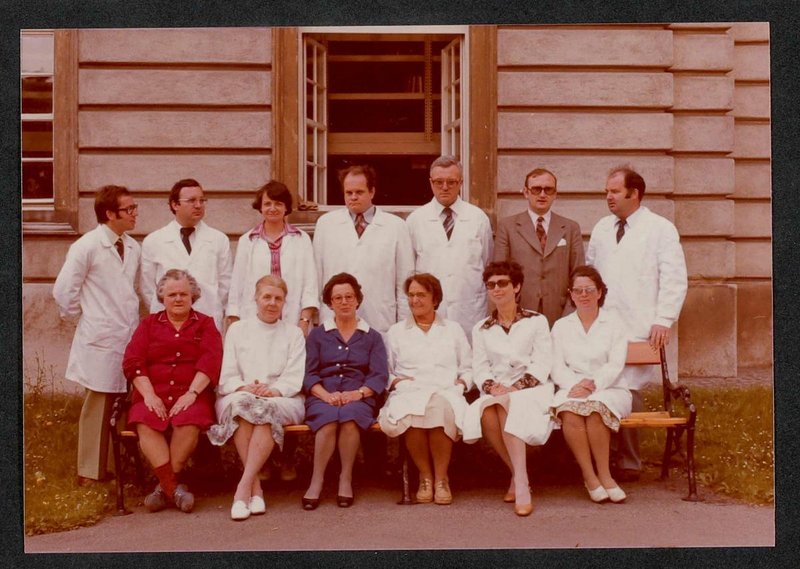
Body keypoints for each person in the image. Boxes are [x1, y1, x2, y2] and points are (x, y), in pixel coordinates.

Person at [586, 166, 687, 482]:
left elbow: (674, 277)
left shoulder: (660, 229)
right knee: (602, 385)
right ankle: (603, 459)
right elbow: (591, 273)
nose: (608, 197)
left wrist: (664, 318)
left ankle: (629, 462)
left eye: (615, 191)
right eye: (607, 191)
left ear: (634, 193)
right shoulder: (602, 228)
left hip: (639, 323)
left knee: (629, 389)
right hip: (604, 324)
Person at [53, 185, 141, 484]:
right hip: (100, 337)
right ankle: (89, 472)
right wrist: (86, 319)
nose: (135, 213)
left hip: (126, 335)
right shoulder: (87, 246)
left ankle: (118, 468)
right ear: (110, 213)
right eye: (129, 209)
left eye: (134, 208)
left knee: (124, 402)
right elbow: (64, 291)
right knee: (98, 403)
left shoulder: (132, 247)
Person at [122, 269, 223, 513]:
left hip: (192, 393)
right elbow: (133, 362)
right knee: (144, 419)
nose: (178, 299)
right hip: (152, 392)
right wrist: (149, 395)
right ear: (162, 298)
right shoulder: (148, 325)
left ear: (193, 296)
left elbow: (211, 362)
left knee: (190, 419)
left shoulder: (206, 324)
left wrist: (192, 394)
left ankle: (162, 488)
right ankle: (173, 488)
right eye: (172, 295)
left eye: (183, 294)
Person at [208, 275, 306, 520]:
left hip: (282, 398)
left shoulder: (294, 333)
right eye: (266, 297)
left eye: (278, 299)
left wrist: (274, 390)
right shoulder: (238, 330)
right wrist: (245, 387)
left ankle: (243, 488)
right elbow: (228, 374)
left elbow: (294, 376)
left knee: (263, 409)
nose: (272, 303)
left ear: (284, 302)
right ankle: (256, 488)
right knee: (245, 407)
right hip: (240, 393)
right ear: (256, 298)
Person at [462, 261, 554, 517]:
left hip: (532, 389)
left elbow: (542, 362)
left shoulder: (537, 321)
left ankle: (521, 486)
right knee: (487, 413)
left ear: (517, 287)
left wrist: (514, 387)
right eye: (491, 285)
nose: (496, 289)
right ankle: (518, 474)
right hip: (497, 390)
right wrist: (492, 386)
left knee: (504, 406)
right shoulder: (481, 328)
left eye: (502, 283)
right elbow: (480, 367)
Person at [378, 273, 472, 506]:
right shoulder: (396, 331)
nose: (415, 300)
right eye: (411, 295)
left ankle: (441, 479)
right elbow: (386, 371)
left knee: (439, 408)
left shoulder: (453, 329)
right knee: (412, 412)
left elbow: (468, 367)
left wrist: (462, 384)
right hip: (409, 391)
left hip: (445, 390)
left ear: (435, 299)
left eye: (421, 295)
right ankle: (425, 477)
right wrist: (397, 383)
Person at [301, 273, 388, 509]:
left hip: (359, 396)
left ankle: (345, 478)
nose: (344, 302)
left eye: (349, 296)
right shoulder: (318, 335)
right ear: (330, 303)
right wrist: (325, 395)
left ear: (357, 300)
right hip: (323, 395)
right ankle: (316, 480)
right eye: (337, 298)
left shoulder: (372, 337)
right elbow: (309, 374)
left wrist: (358, 394)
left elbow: (379, 375)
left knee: (350, 418)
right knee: (328, 419)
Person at [550, 265, 632, 503]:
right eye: (578, 291)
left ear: (600, 292)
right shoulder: (561, 326)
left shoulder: (614, 324)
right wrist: (576, 385)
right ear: (571, 294)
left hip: (609, 388)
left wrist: (592, 385)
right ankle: (589, 476)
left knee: (595, 411)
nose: (583, 295)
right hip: (571, 387)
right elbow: (556, 366)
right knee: (571, 413)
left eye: (589, 290)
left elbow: (615, 365)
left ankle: (605, 475)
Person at [313, 165, 414, 335]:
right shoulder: (326, 224)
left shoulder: (396, 226)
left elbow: (404, 281)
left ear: (372, 192)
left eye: (359, 192)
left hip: (379, 317)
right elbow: (316, 274)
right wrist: (316, 317)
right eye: (348, 193)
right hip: (335, 319)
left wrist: (404, 325)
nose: (353, 197)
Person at [405, 156, 493, 339]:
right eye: (439, 182)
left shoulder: (478, 218)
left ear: (460, 182)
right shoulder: (416, 220)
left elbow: (487, 262)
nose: (445, 187)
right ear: (431, 183)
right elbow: (409, 270)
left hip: (469, 309)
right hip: (431, 308)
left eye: (451, 182)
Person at [493, 168, 584, 327]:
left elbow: (579, 274)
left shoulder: (570, 228)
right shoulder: (507, 227)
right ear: (526, 192)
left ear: (555, 194)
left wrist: (570, 311)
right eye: (536, 189)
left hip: (560, 313)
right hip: (518, 312)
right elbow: (499, 275)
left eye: (548, 190)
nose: (542, 194)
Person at [227, 181, 318, 337]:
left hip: (292, 319)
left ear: (286, 207)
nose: (272, 208)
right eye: (267, 204)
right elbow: (237, 285)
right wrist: (235, 323)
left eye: (278, 204)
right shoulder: (248, 240)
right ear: (260, 207)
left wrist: (304, 320)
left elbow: (310, 284)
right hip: (253, 319)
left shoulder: (301, 239)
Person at [141, 178, 232, 331]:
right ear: (175, 205)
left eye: (202, 200)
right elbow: (148, 287)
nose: (198, 205)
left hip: (207, 318)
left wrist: (213, 306)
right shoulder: (154, 240)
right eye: (191, 200)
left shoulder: (219, 239)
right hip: (166, 324)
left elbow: (225, 283)